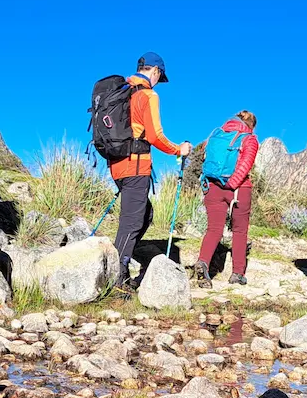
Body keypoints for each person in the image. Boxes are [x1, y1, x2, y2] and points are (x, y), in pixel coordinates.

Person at [107, 53, 192, 290]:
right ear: (154, 70)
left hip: (117, 163)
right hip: (136, 164)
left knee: (144, 214)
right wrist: (179, 150)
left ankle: (120, 263)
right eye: (159, 75)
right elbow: (155, 135)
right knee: (132, 221)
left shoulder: (123, 91)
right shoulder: (147, 95)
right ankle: (118, 275)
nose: (158, 80)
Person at [194, 110, 259, 286]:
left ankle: (203, 262)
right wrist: (231, 184)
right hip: (238, 189)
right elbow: (245, 165)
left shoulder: (215, 135)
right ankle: (237, 273)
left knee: (214, 229)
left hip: (212, 186)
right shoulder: (249, 139)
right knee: (239, 231)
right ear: (251, 125)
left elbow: (205, 157)